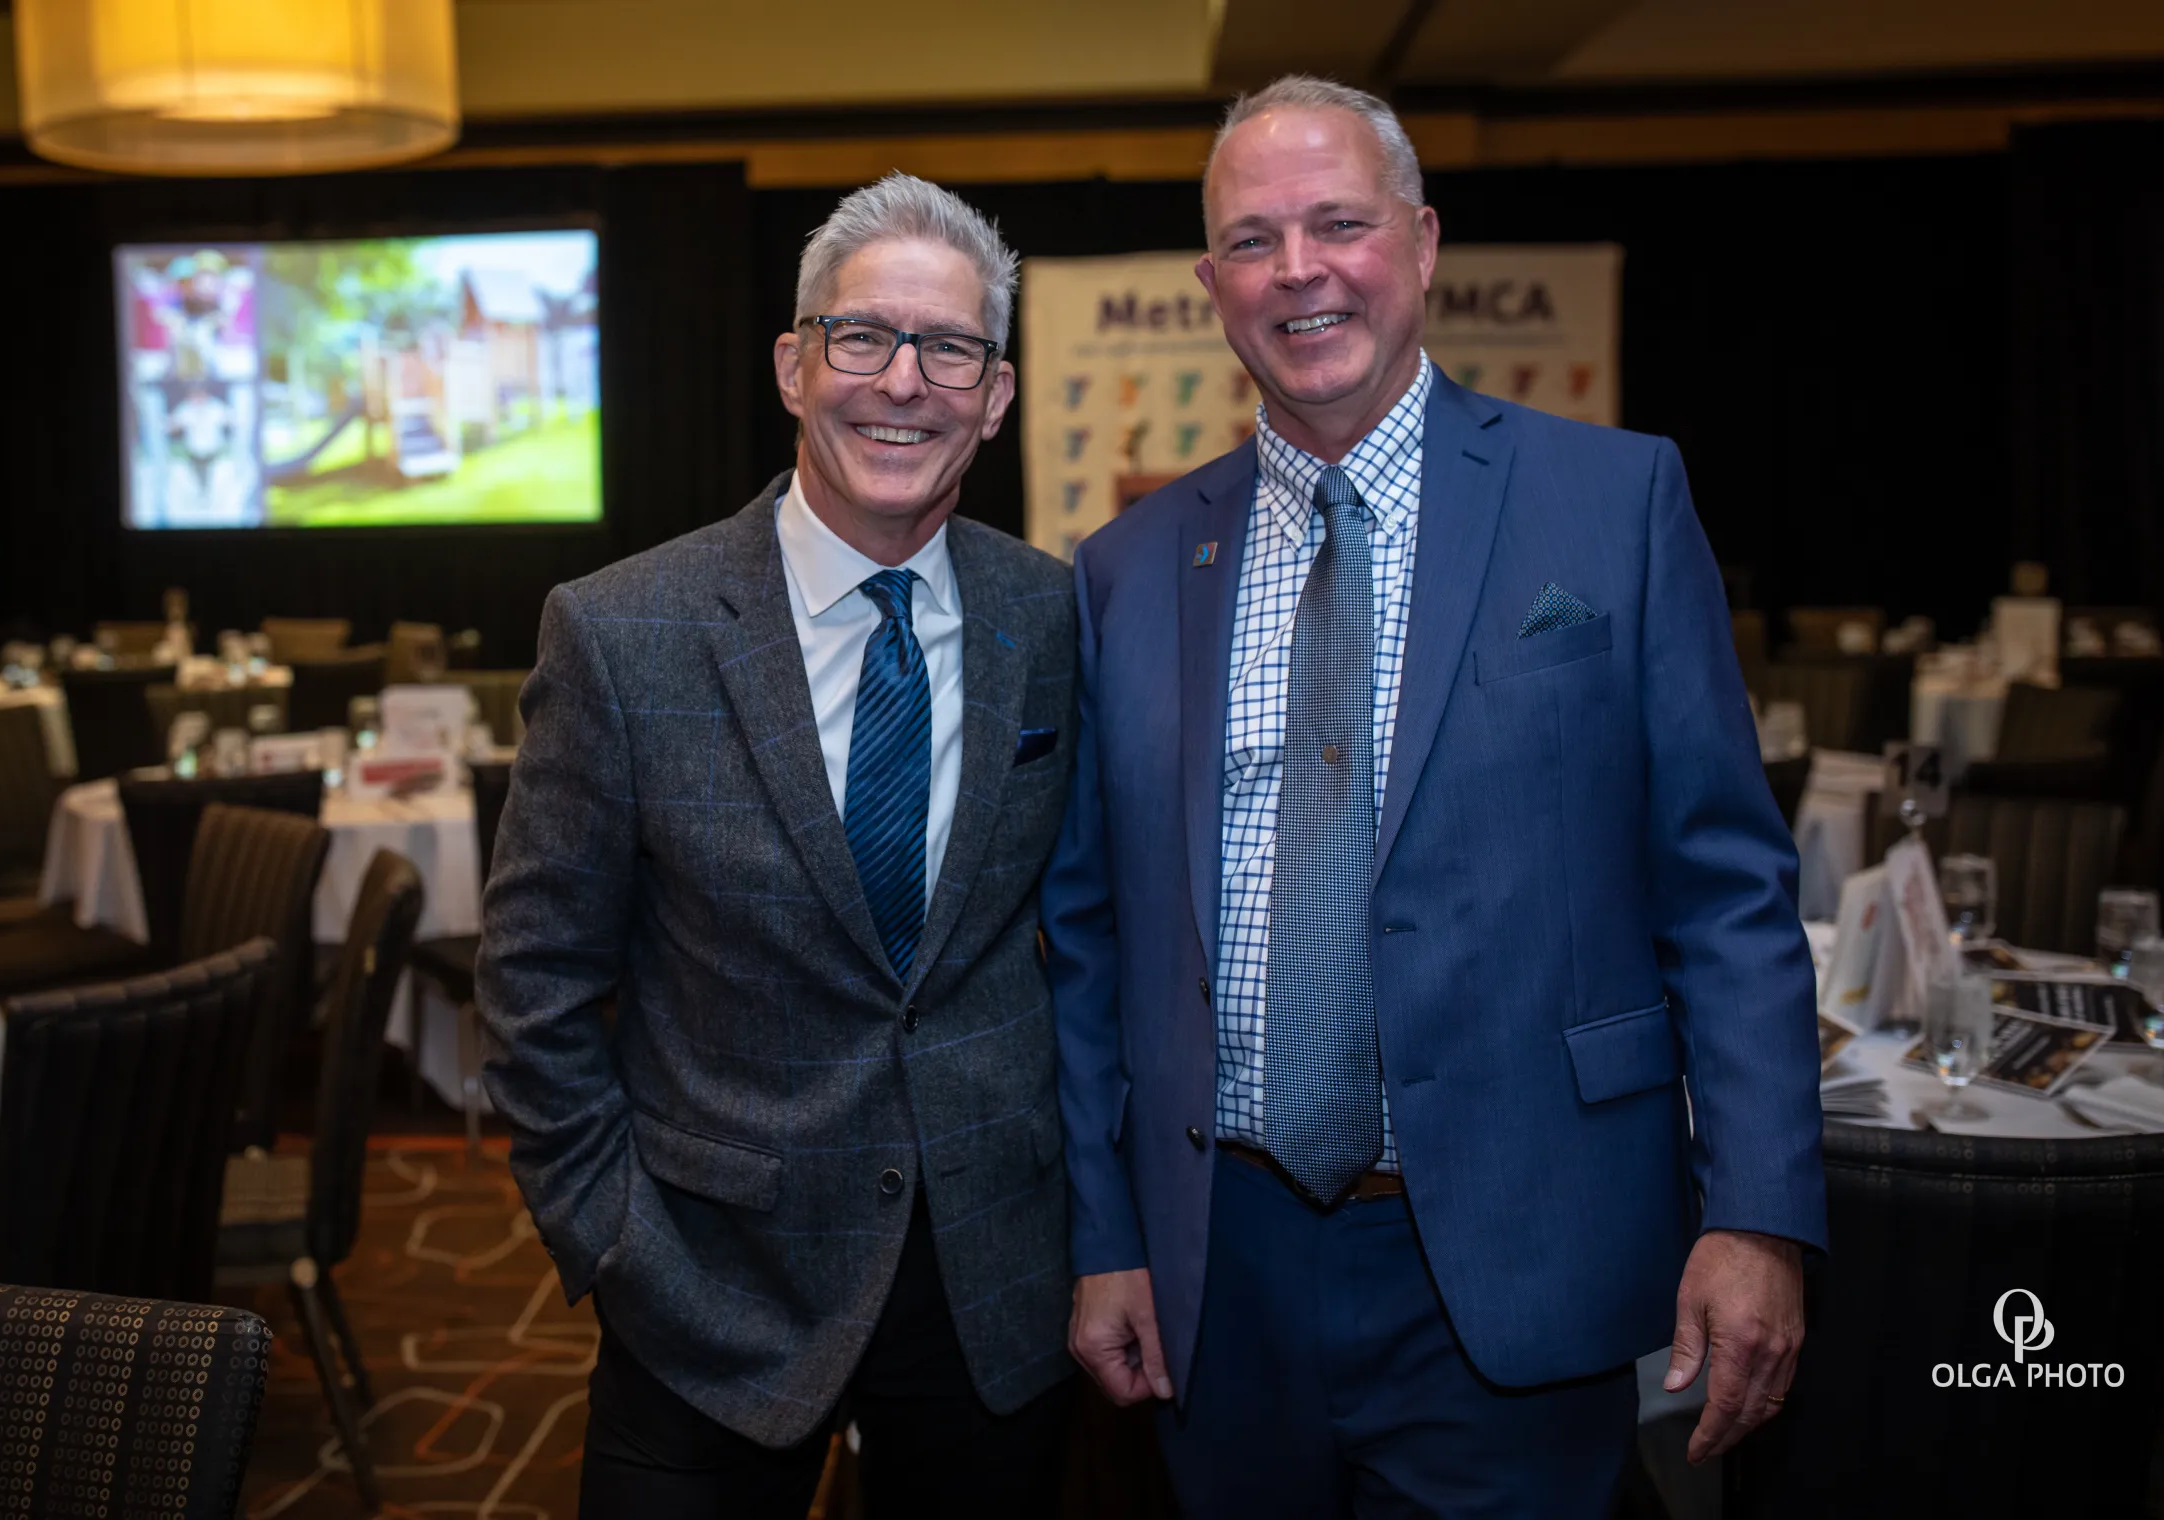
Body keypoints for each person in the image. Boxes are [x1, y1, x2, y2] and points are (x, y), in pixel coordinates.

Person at [1044, 76, 1825, 1516]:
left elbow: (1727, 890)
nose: (1300, 271)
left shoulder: (1615, 500)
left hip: (1523, 1246)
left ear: (1421, 240)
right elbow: (1090, 945)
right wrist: (1106, 1237)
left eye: (1339, 223)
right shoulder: (1128, 569)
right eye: (1253, 239)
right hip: (1223, 1268)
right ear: (1214, 280)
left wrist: (1761, 1211)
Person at [478, 172, 1078, 1519]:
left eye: (950, 349)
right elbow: (534, 988)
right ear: (794, 367)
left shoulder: (1055, 621)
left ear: (996, 394)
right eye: (861, 337)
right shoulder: (620, 632)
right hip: (706, 1290)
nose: (902, 382)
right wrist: (615, 1241)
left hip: (992, 1283)